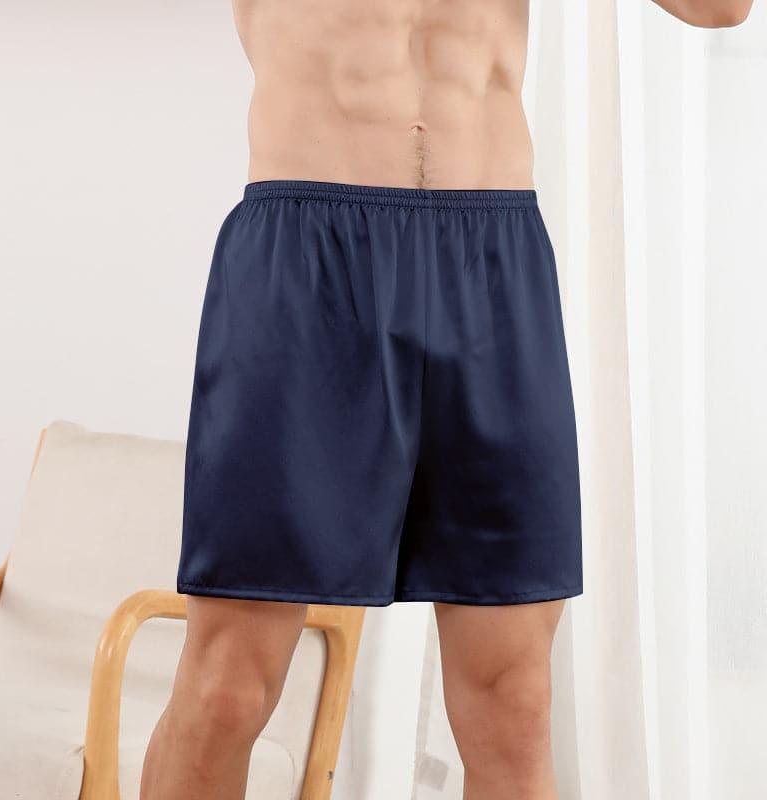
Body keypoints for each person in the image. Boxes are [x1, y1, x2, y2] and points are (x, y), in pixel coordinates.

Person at [141, 2, 753, 798]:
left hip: (492, 260)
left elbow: (723, 7)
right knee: (229, 686)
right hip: (307, 255)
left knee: (514, 702)